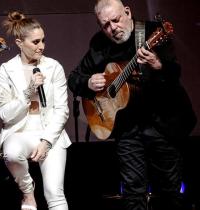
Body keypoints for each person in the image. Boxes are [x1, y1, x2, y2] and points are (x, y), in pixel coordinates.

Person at [68, 0, 197, 210]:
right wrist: (88, 82)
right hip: (127, 127)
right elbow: (74, 78)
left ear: (127, 12)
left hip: (161, 122)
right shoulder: (99, 43)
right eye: (105, 25)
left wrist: (158, 65)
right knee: (132, 191)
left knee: (169, 189)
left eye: (116, 20)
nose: (112, 28)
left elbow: (174, 74)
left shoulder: (153, 32)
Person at [0, 11, 71, 210]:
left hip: (49, 132)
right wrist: (28, 92)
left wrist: (46, 141)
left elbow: (62, 110)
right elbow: (4, 114)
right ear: (20, 42)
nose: (42, 46)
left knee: (54, 192)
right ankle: (28, 192)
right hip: (20, 131)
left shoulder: (53, 67)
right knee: (11, 153)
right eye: (36, 42)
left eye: (43, 40)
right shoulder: (6, 69)